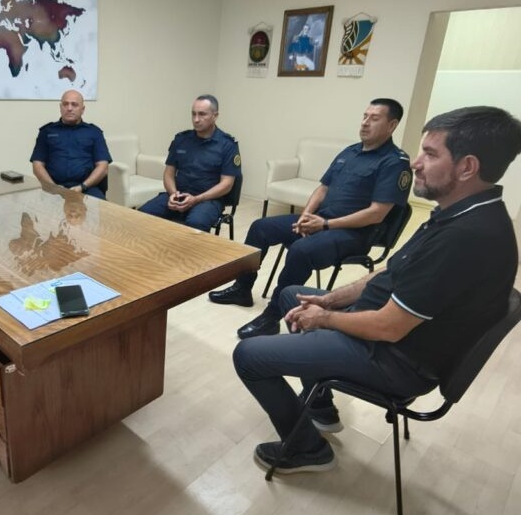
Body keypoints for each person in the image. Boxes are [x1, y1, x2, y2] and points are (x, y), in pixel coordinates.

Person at [232, 106, 521, 475]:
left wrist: (325, 318)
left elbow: (389, 327)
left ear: (467, 167)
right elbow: (389, 271)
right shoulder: (459, 212)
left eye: (430, 154)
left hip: (395, 359)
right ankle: (320, 406)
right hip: (385, 334)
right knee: (294, 295)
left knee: (248, 356)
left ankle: (306, 449)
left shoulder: (467, 237)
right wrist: (327, 300)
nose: (416, 163)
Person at [210, 98, 411, 339]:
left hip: (353, 234)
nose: (365, 123)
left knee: (301, 250)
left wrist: (325, 224)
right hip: (322, 221)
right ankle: (242, 288)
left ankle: (273, 316)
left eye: (374, 118)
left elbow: (377, 213)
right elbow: (323, 188)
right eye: (365, 116)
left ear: (392, 125)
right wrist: (307, 215)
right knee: (260, 227)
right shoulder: (350, 152)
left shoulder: (394, 163)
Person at [138, 94, 241, 232]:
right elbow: (168, 173)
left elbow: (226, 184)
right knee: (142, 215)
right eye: (193, 114)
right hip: (178, 195)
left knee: (195, 224)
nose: (196, 119)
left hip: (207, 199)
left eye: (202, 114)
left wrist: (197, 199)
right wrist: (173, 194)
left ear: (215, 116)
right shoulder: (181, 139)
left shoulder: (227, 145)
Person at [30, 89, 111, 199]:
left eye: (74, 104)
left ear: (82, 109)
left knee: (102, 208)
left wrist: (82, 186)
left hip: (87, 188)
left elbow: (103, 166)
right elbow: (37, 165)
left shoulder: (94, 132)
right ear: (60, 107)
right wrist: (54, 188)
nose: (69, 108)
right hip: (53, 187)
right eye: (65, 104)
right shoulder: (47, 131)